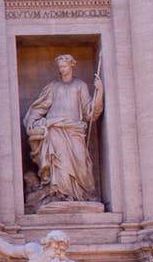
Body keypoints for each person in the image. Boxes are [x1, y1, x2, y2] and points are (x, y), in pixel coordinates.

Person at [23, 53, 103, 204]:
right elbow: (40, 107)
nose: (62, 70)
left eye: (65, 66)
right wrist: (33, 122)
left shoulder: (80, 85)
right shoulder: (53, 86)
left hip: (74, 129)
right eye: (60, 67)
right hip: (55, 129)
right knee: (59, 163)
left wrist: (99, 92)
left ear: (71, 66)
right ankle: (61, 194)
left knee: (81, 161)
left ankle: (82, 193)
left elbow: (89, 112)